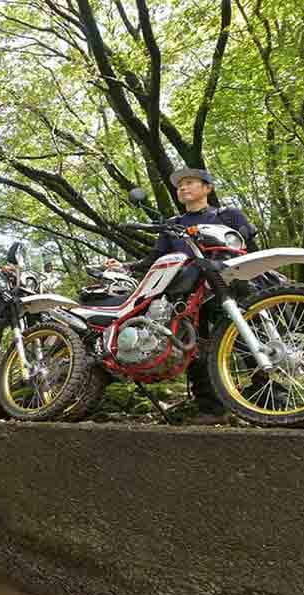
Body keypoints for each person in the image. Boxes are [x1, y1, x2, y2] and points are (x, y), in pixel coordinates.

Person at [104, 168, 260, 424]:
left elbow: (248, 248)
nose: (183, 188)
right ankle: (211, 409)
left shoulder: (227, 215)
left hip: (229, 288)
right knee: (195, 348)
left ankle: (271, 398)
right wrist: (125, 266)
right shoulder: (172, 225)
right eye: (180, 186)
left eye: (190, 182)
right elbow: (155, 259)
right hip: (188, 295)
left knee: (246, 338)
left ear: (207, 188)